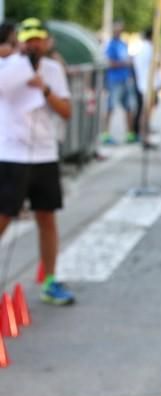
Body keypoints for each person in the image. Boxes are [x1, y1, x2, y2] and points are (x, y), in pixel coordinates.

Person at [0, 18, 74, 305]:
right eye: (27, 39)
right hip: (11, 154)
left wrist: (44, 89)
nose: (33, 44)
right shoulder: (7, 66)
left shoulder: (54, 69)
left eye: (38, 39)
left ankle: (50, 281)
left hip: (44, 154)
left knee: (47, 217)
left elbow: (66, 111)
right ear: (20, 41)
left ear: (46, 41)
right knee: (4, 217)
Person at [102, 21, 137, 145]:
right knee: (110, 107)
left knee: (129, 107)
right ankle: (105, 134)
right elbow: (109, 63)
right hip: (114, 80)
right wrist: (124, 63)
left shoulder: (123, 44)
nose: (118, 32)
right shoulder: (110, 45)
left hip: (125, 79)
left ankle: (130, 134)